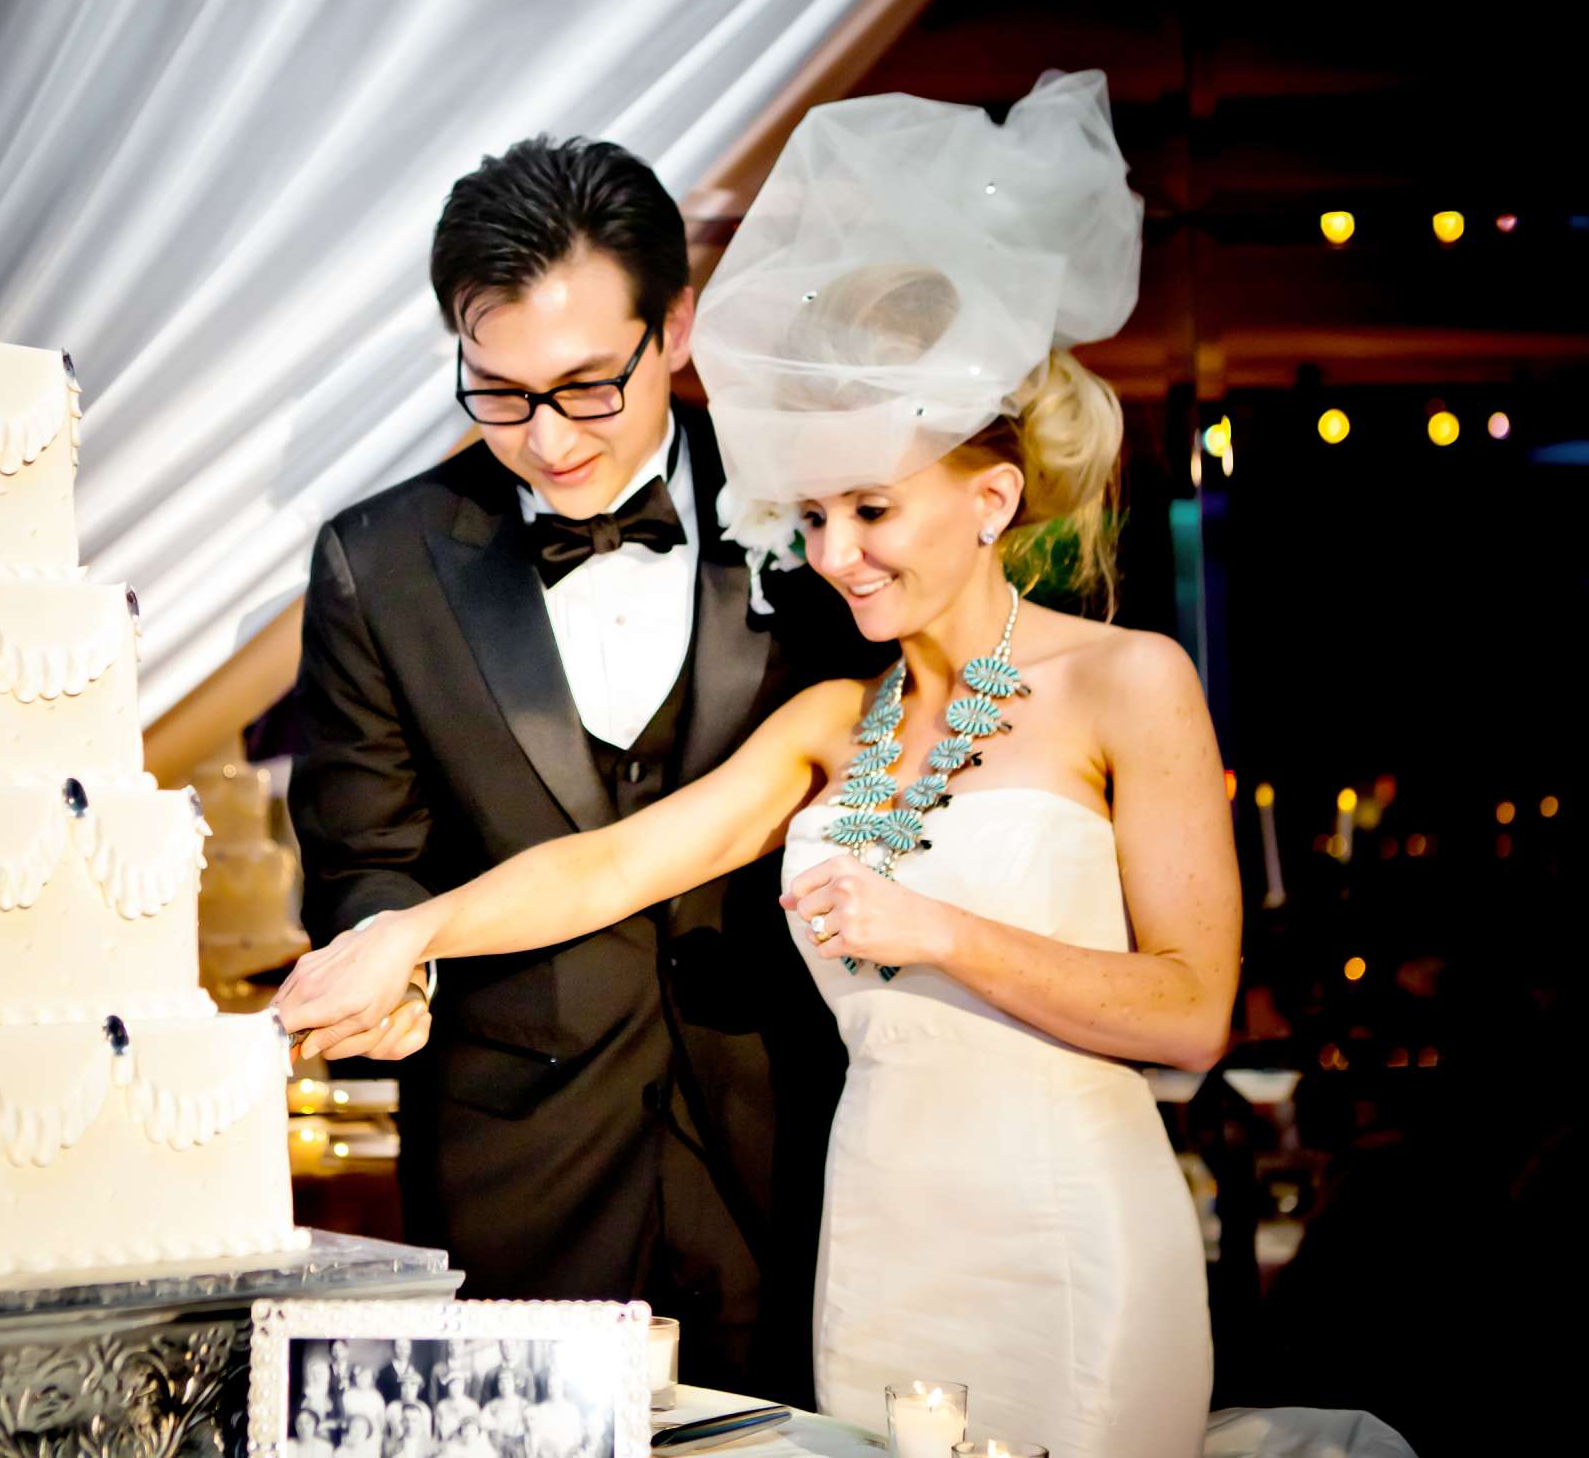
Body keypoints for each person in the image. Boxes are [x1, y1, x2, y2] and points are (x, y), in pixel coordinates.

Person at [277, 73, 1233, 1458]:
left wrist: (937, 929)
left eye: (870, 513)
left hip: (928, 1196)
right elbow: (607, 859)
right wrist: (400, 939)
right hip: (710, 1202)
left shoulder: (1088, 652)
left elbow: (1194, 1014)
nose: (830, 553)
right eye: (498, 394)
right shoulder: (834, 714)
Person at [288, 135, 877, 1404]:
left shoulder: (822, 513)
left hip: (796, 1136)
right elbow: (365, 859)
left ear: (674, 326)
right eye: (496, 391)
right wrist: (389, 965)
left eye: (586, 385)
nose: (548, 439)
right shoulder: (377, 565)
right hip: (520, 1157)